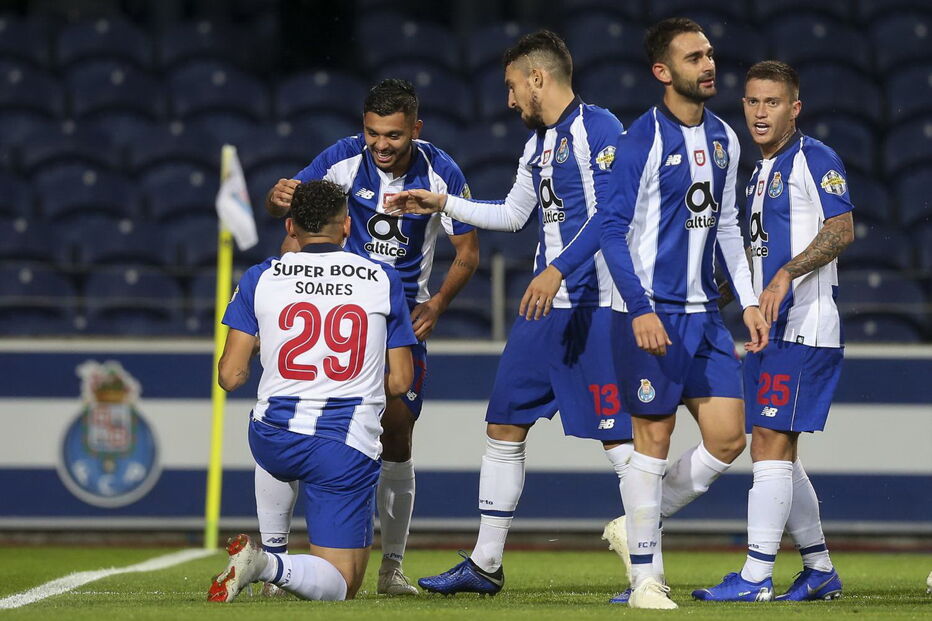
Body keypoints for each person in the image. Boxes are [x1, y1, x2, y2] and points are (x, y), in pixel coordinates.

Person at [387, 30, 633, 596]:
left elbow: (610, 216)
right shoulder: (539, 145)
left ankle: (647, 566)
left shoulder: (600, 130)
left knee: (618, 440)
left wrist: (558, 269)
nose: (509, 100)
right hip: (543, 313)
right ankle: (486, 563)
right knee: (503, 424)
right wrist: (442, 202)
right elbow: (516, 214)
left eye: (512, 86)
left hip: (593, 305)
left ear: (538, 78)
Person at [262, 79, 480, 595]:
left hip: (399, 321)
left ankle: (392, 566)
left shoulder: (441, 171)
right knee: (296, 420)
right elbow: (296, 219)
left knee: (398, 434)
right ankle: (273, 555)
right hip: (340, 315)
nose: (381, 144)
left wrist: (438, 303)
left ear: (415, 130)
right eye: (373, 133)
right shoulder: (340, 161)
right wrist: (275, 202)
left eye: (394, 136)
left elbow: (468, 254)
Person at [599, 17, 770, 609]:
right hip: (652, 315)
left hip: (706, 318)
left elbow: (726, 226)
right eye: (694, 57)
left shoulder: (724, 136)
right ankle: (646, 578)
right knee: (654, 436)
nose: (708, 65)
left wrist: (747, 303)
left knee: (728, 439)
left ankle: (635, 524)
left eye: (710, 54)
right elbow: (610, 231)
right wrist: (639, 308)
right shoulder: (639, 140)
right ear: (663, 72)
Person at [207, 180, 417, 602]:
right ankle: (266, 563)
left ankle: (275, 555)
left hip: (271, 438)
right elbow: (400, 382)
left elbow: (230, 376)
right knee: (343, 583)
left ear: (291, 227)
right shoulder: (380, 278)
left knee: (269, 416)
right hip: (342, 444)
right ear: (346, 228)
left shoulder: (259, 277)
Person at [692, 60, 853, 603]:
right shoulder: (758, 170)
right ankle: (819, 569)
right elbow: (754, 254)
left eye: (773, 102)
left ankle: (756, 576)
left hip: (806, 328)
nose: (761, 112)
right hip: (769, 333)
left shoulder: (815, 159)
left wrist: (788, 272)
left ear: (794, 108)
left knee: (768, 444)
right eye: (753, 102)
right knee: (779, 450)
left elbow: (841, 228)